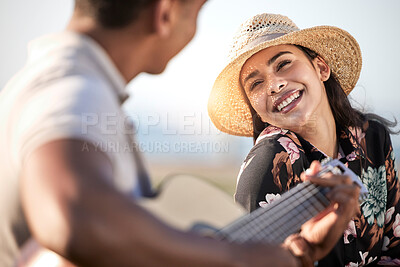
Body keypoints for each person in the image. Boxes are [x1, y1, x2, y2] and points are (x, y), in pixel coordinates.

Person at [0, 2, 360, 266]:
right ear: (166, 13)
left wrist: (300, 253)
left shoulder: (69, 85)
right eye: (198, 11)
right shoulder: (72, 89)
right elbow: (73, 217)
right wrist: (240, 258)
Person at [208, 13, 400, 266]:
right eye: (256, 83)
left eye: (283, 64)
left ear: (321, 68)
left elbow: (394, 246)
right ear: (256, 110)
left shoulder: (372, 137)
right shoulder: (269, 163)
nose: (274, 85)